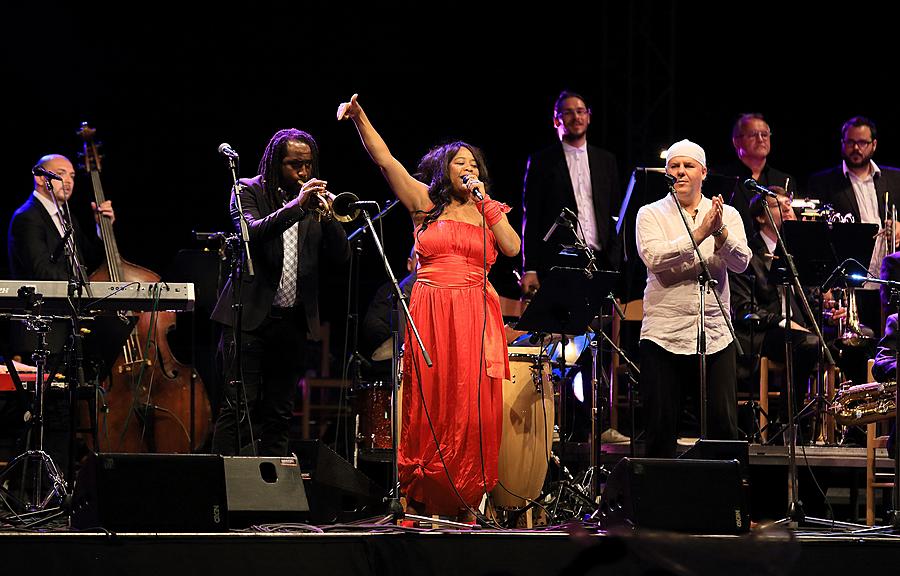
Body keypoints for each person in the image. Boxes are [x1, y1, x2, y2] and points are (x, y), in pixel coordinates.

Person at [337, 93, 520, 519]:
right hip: (433, 311)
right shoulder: (424, 203)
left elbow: (511, 246)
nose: (469, 169)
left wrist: (486, 203)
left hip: (474, 312)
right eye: (460, 162)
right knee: (433, 401)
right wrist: (361, 118)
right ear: (442, 168)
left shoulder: (487, 211)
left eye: (474, 164)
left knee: (470, 407)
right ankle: (422, 498)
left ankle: (465, 501)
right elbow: (386, 161)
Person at [210, 129, 350, 456]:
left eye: (308, 165)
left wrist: (329, 219)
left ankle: (270, 496)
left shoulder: (314, 204)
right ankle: (219, 492)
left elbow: (342, 256)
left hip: (292, 322)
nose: (304, 173)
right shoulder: (246, 190)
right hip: (247, 318)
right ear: (276, 163)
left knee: (279, 412)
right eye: (294, 165)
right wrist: (298, 207)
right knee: (237, 408)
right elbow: (253, 231)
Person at [636, 139, 751, 458]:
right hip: (664, 334)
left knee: (724, 429)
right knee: (660, 430)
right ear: (666, 173)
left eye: (688, 166)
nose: (681, 172)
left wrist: (720, 232)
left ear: (703, 172)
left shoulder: (726, 214)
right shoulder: (650, 214)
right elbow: (656, 259)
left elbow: (741, 262)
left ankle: (725, 506)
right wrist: (700, 233)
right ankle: (659, 505)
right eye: (674, 166)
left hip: (715, 334)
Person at [729, 188, 823, 439]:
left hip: (799, 330)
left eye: (789, 205)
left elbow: (807, 301)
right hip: (764, 333)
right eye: (778, 206)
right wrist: (783, 322)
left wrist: (827, 309)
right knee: (806, 344)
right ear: (760, 217)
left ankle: (855, 429)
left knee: (858, 341)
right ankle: (787, 423)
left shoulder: (796, 251)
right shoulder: (745, 253)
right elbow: (742, 310)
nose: (788, 210)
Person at [521, 90, 621, 296]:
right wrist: (529, 267)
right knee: (560, 325)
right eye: (568, 112)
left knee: (598, 325)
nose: (576, 117)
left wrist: (615, 259)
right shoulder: (542, 162)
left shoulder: (606, 160)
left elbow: (615, 213)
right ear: (556, 120)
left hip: (599, 260)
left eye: (580, 111)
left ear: (589, 116)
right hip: (558, 261)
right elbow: (531, 217)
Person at [808, 116, 900, 282]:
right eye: (850, 142)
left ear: (874, 145)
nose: (856, 148)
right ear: (842, 144)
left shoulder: (896, 178)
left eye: (863, 142)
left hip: (890, 278)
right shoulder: (822, 183)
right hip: (848, 279)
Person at [8, 154, 114, 280]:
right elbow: (41, 271)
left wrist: (102, 228)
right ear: (40, 178)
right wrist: (81, 284)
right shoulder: (27, 217)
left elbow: (90, 261)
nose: (68, 180)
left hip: (72, 298)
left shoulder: (68, 217)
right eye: (61, 173)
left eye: (72, 176)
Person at [715, 113, 796, 237]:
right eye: (753, 135)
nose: (760, 139)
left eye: (764, 135)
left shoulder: (785, 180)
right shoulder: (721, 177)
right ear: (736, 141)